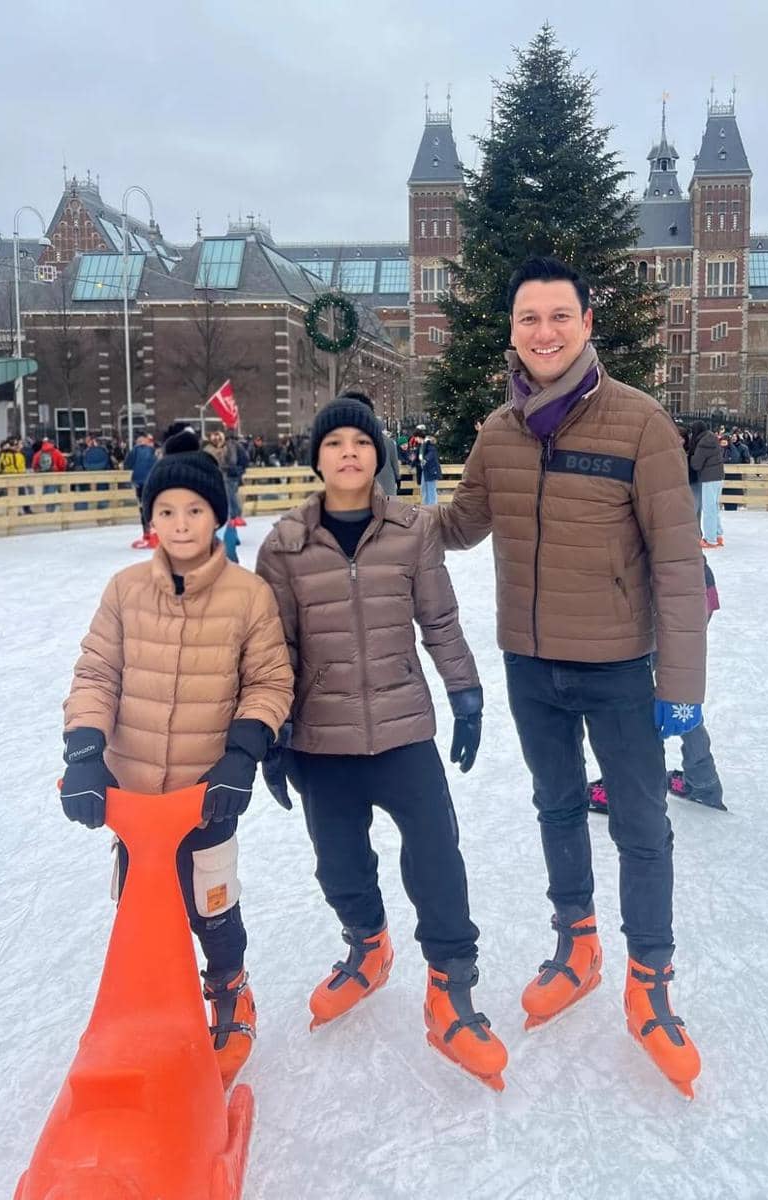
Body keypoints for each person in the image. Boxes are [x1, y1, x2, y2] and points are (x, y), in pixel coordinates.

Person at [433, 255, 706, 1098]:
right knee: (556, 806)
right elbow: (460, 524)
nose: (543, 332)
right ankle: (577, 944)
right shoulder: (498, 432)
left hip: (620, 665)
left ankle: (650, 983)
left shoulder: (639, 423)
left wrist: (682, 686)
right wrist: (373, 509)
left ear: (587, 323)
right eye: (529, 318)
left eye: (559, 316)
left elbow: (677, 562)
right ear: (512, 330)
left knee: (641, 826)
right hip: (530, 662)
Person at [255, 396, 507, 1091]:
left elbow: (440, 620)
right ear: (316, 458)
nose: (348, 453)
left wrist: (465, 693)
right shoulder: (285, 545)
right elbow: (273, 648)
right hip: (322, 738)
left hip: (402, 730)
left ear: (379, 456)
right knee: (338, 864)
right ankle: (368, 946)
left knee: (437, 856)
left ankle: (451, 987)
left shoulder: (411, 530)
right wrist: (273, 734)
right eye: (334, 442)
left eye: (361, 443)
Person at [59, 430, 293, 1088]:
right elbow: (96, 674)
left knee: (212, 906)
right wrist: (85, 752)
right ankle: (149, 1005)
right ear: (150, 520)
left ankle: (229, 987)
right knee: (141, 913)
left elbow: (269, 682)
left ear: (218, 516)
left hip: (206, 792)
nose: (181, 523)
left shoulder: (248, 596)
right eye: (166, 511)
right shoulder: (125, 590)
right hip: (135, 800)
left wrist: (242, 755)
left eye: (194, 510)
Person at [590, 559, 725, 814]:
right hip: (693, 591)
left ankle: (625, 788)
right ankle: (702, 780)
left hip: (661, 599)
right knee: (679, 691)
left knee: (631, 690)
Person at [689, 421, 725, 549]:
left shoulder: (703, 443)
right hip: (718, 477)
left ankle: (710, 539)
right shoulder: (711, 438)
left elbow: (696, 464)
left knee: (709, 509)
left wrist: (689, 456)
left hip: (709, 478)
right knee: (714, 507)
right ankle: (718, 535)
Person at [125, 433, 158, 548]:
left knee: (143, 507)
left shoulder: (134, 451)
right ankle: (155, 535)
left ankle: (147, 534)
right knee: (152, 506)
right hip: (152, 482)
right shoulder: (153, 451)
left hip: (139, 482)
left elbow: (127, 465)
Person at [421, 435, 443, 505]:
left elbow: (431, 454)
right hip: (428, 471)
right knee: (426, 491)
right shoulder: (425, 446)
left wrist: (425, 459)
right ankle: (427, 507)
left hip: (431, 471)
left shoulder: (430, 446)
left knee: (430, 491)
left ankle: (431, 507)